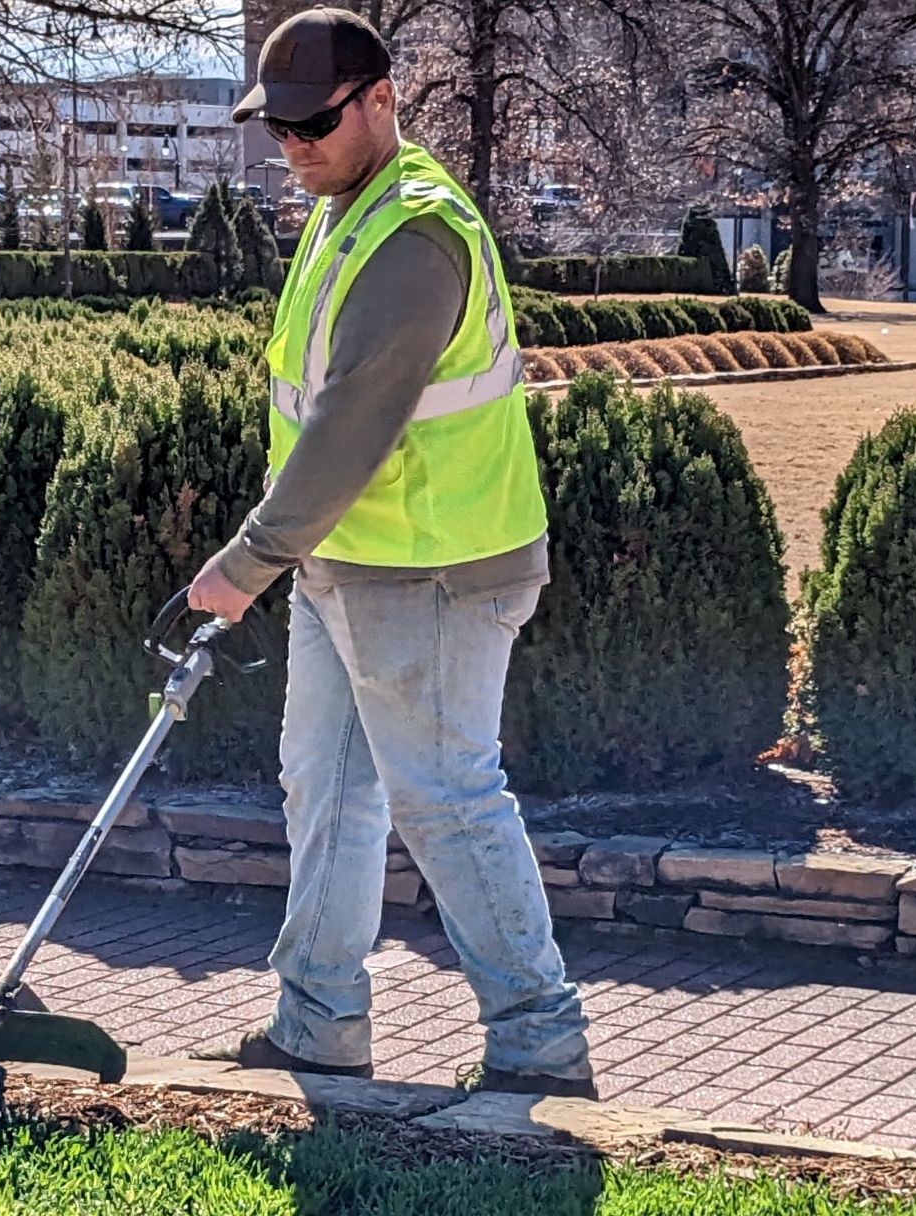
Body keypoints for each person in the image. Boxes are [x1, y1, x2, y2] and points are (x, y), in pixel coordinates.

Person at [185, 6, 595, 1098]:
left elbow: (352, 427)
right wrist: (287, 556)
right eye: (277, 128)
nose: (295, 146)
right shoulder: (339, 207)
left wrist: (247, 560)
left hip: (436, 567)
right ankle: (317, 1026)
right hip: (346, 563)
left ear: (381, 101)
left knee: (445, 796)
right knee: (324, 785)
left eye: (314, 123)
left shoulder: (414, 234)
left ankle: (539, 1044)